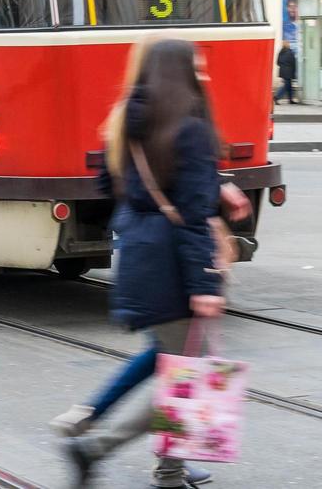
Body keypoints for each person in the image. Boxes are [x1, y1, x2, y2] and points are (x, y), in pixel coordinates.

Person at [65, 39, 227, 489]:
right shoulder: (189, 127)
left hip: (137, 251)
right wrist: (206, 285)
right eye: (197, 64)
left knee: (178, 365)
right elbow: (193, 217)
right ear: (180, 72)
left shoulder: (127, 121)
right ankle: (95, 446)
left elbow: (104, 183)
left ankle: (169, 470)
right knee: (195, 377)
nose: (204, 70)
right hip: (175, 262)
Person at [274, 39, 298, 104]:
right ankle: (276, 97)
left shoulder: (281, 52)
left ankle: (290, 100)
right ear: (287, 44)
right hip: (289, 72)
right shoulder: (290, 52)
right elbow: (293, 63)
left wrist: (283, 67)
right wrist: (294, 71)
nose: (289, 44)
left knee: (289, 86)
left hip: (283, 71)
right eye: (288, 43)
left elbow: (277, 62)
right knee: (286, 86)